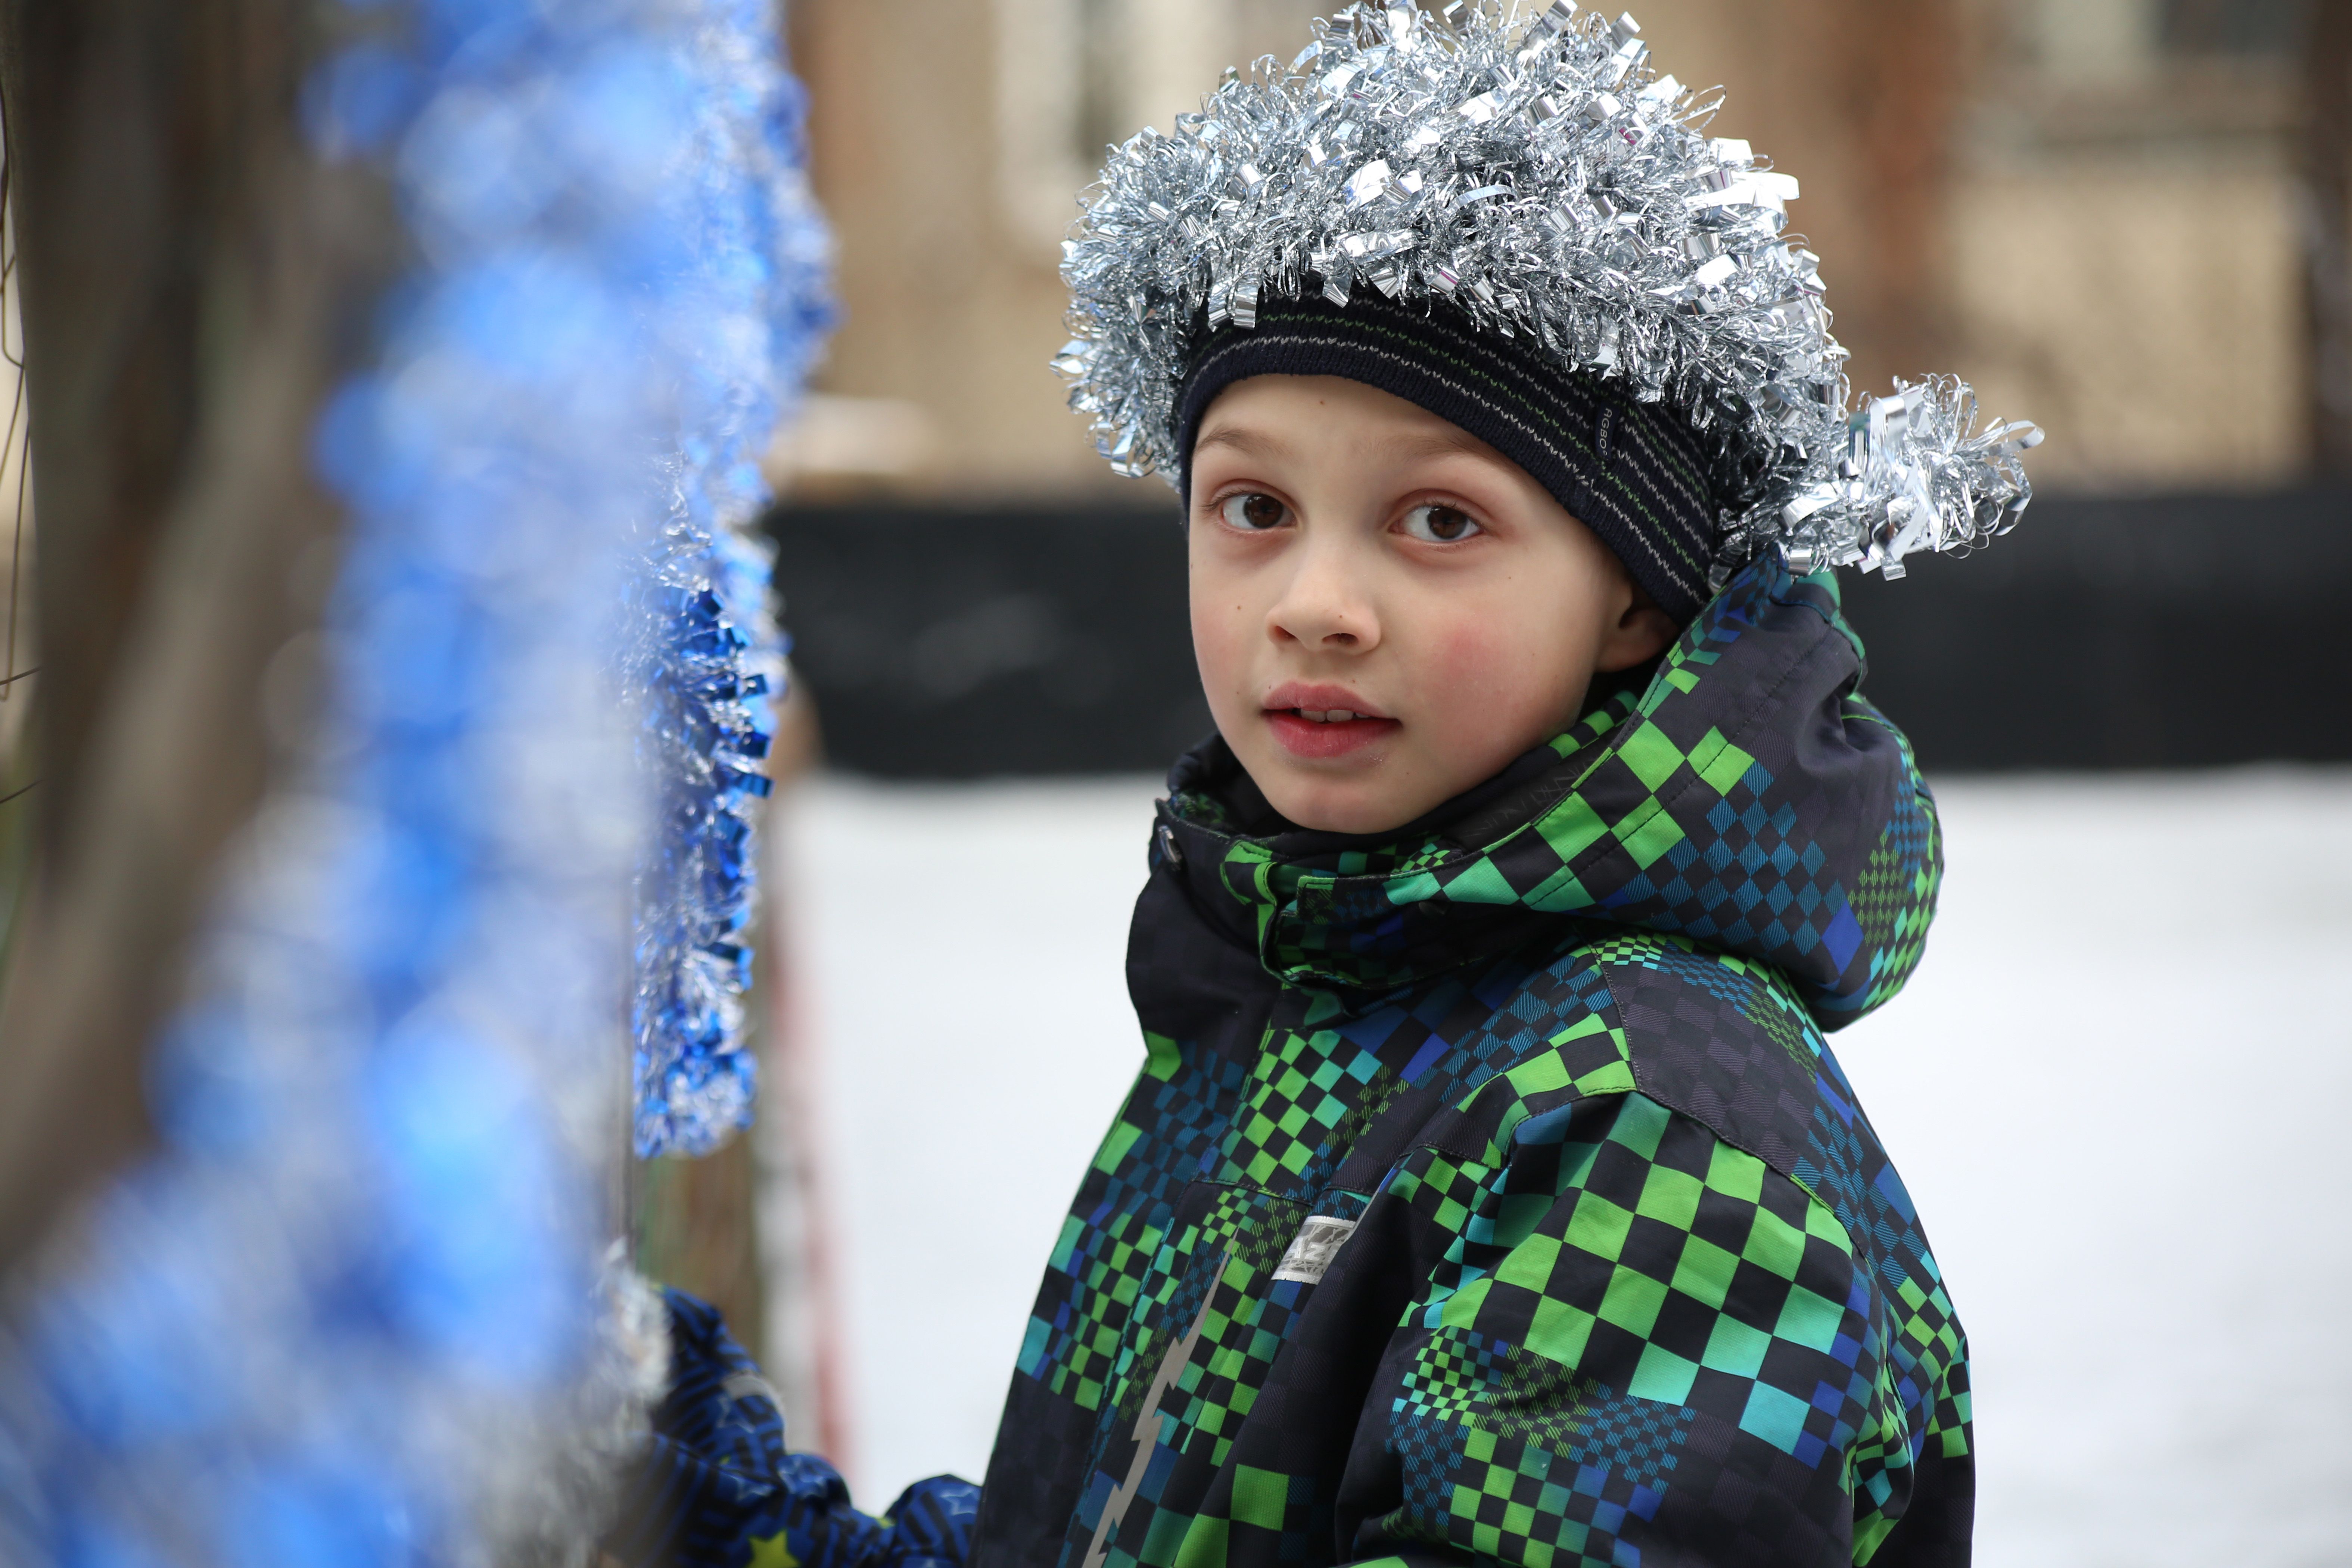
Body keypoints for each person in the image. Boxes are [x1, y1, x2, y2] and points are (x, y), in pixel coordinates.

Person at [619, 5, 2036, 1565]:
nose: (1316, 601)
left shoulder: (1652, 1111)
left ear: (1636, 594)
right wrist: (675, 1471)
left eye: (1439, 522)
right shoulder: (1328, 1001)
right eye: (1252, 504)